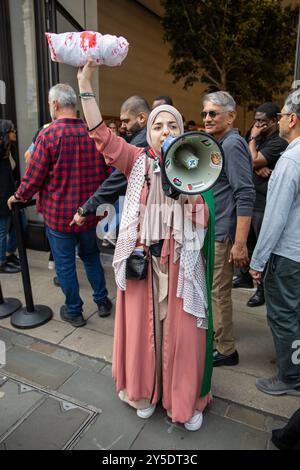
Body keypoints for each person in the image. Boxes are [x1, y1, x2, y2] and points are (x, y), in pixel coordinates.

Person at [77, 58, 215, 431]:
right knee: (144, 333)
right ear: (148, 133)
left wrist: (185, 189)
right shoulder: (135, 161)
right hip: (143, 262)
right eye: (158, 125)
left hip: (179, 265)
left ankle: (183, 401)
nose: (165, 130)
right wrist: (86, 83)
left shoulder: (194, 162)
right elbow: (101, 136)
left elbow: (203, 215)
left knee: (183, 337)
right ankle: (142, 391)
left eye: (173, 124)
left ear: (183, 130)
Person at [7, 83, 112, 327]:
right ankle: (103, 301)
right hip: (88, 213)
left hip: (59, 215)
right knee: (91, 256)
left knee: (65, 264)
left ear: (55, 105)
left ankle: (74, 311)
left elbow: (34, 176)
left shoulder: (50, 134)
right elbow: (107, 171)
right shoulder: (92, 132)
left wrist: (19, 196)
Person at [249, 89, 300, 395]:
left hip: (288, 253)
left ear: (292, 119)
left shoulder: (291, 159)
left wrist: (257, 260)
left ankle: (291, 376)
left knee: (284, 314)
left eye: (281, 115)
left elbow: (275, 216)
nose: (279, 121)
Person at [201, 91, 255, 367]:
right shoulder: (220, 142)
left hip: (224, 234)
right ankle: (218, 338)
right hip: (215, 230)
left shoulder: (232, 144)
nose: (207, 118)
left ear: (231, 116)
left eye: (214, 113)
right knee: (213, 289)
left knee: (218, 291)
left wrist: (240, 243)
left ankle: (226, 349)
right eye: (205, 113)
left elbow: (245, 194)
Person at [233, 103, 287, 308]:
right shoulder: (258, 136)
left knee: (260, 247)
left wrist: (253, 140)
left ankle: (261, 289)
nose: (257, 124)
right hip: (251, 199)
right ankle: (246, 276)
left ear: (274, 121)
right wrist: (255, 164)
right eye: (256, 120)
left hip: (265, 202)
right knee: (249, 242)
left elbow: (252, 160)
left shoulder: (278, 141)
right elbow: (249, 161)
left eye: (263, 121)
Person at [71, 97, 150, 238]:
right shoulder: (139, 138)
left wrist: (85, 209)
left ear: (142, 118)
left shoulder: (142, 141)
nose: (122, 126)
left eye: (126, 121)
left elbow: (115, 181)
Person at [0, 119, 21, 274]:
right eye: (13, 130)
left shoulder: (9, 149)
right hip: (2, 198)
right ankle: (1, 262)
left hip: (11, 195)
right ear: (6, 133)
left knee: (21, 224)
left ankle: (9, 253)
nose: (15, 132)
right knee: (2, 230)